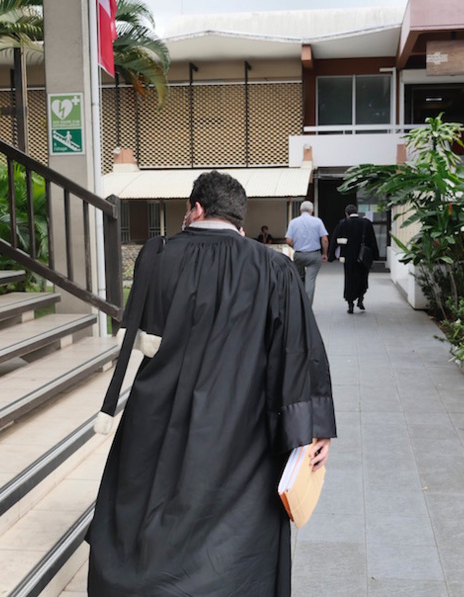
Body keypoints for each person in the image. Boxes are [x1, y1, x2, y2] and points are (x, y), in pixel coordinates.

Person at [87, 171, 337, 597]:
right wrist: (314, 427)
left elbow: (146, 332)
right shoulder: (274, 268)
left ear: (196, 208)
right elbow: (298, 352)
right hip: (241, 422)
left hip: (160, 414)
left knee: (145, 513)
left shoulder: (159, 255)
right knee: (237, 525)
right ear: (239, 217)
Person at [329, 204, 379, 314]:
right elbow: (372, 240)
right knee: (362, 278)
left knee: (350, 280)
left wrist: (331, 255)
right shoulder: (366, 223)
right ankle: (360, 299)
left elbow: (335, 239)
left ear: (346, 214)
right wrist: (375, 256)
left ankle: (350, 304)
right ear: (357, 212)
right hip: (363, 258)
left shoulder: (343, 223)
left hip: (349, 257)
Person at [284, 200, 328, 305]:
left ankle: (299, 303)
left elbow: (288, 240)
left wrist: (296, 247)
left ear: (300, 210)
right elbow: (325, 240)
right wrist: (324, 254)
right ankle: (307, 306)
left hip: (299, 255)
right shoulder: (318, 222)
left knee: (299, 279)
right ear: (311, 211)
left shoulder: (293, 222)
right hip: (314, 255)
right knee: (310, 280)